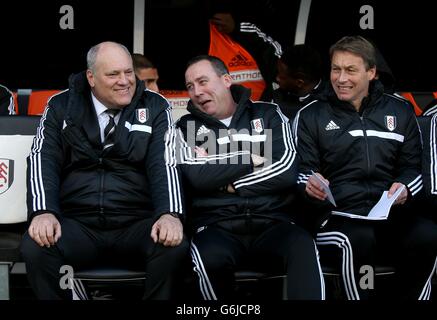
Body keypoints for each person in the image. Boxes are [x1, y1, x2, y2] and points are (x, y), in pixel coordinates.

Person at [20, 41, 188, 300]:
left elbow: (164, 163)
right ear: (91, 77)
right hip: (77, 223)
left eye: (128, 72)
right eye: (113, 74)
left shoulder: (154, 105)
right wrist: (43, 212)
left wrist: (169, 214)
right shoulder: (61, 105)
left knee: (173, 247)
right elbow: (43, 159)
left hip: (135, 222)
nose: (125, 81)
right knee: (36, 247)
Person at [294, 35, 437, 300]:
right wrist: (308, 183)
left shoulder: (400, 110)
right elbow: (300, 169)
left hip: (388, 214)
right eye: (336, 69)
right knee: (357, 239)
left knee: (428, 234)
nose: (341, 78)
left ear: (371, 73)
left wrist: (405, 188)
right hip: (336, 217)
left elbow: (414, 169)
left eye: (351, 70)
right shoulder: (311, 114)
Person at [176, 55, 324, 300]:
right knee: (206, 259)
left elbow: (286, 169)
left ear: (226, 80)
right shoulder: (186, 126)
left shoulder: (267, 114)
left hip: (273, 221)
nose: (196, 91)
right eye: (190, 86)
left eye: (203, 81)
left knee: (303, 246)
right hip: (216, 226)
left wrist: (231, 183)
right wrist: (248, 158)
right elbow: (196, 177)